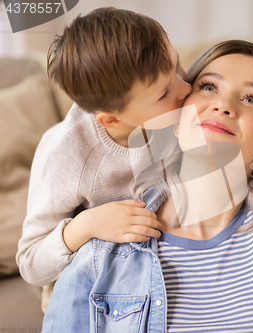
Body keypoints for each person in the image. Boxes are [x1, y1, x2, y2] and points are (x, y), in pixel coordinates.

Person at [41, 40, 253, 333]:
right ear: (177, 115)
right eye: (209, 87)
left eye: (252, 99)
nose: (224, 105)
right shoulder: (103, 248)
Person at [16, 7, 191, 309]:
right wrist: (86, 225)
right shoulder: (66, 153)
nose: (187, 89)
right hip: (98, 288)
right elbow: (31, 264)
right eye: (164, 94)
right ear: (111, 121)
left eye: (177, 66)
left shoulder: (179, 101)